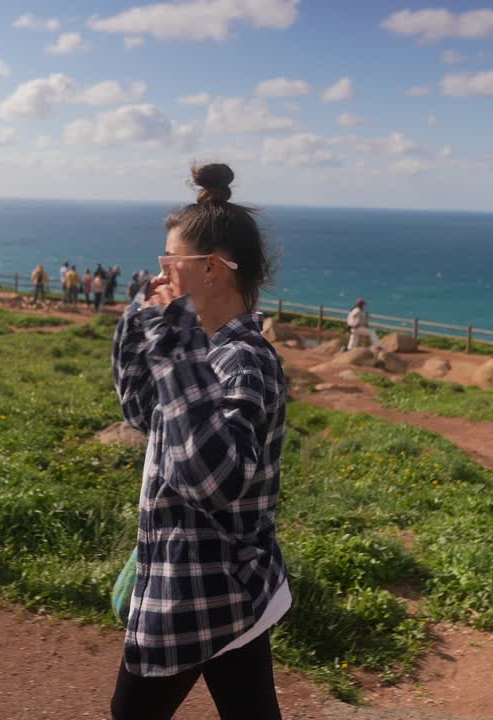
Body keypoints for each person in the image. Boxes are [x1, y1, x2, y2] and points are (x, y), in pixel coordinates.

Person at [109, 163, 287, 720]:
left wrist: (175, 346)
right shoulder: (201, 350)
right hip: (215, 585)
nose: (159, 275)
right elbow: (142, 411)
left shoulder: (241, 359)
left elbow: (214, 480)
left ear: (210, 269)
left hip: (197, 591)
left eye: (170, 263)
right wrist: (143, 328)